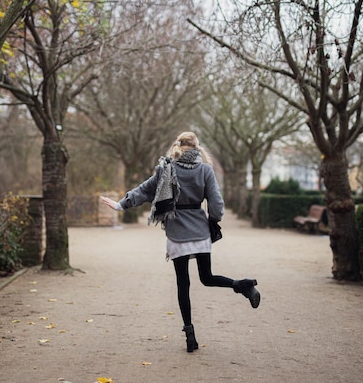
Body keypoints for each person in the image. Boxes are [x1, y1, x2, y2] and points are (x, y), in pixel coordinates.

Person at [101, 131, 260, 353]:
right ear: (197, 148)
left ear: (177, 146)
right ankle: (242, 285)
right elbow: (216, 203)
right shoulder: (205, 170)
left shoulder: (166, 169)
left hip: (177, 232)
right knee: (207, 277)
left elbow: (145, 190)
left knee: (182, 284)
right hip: (200, 231)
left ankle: (190, 336)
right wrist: (214, 220)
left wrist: (120, 205)